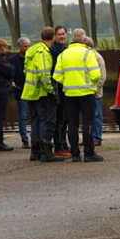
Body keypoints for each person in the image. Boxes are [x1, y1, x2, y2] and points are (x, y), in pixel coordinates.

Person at [53, 29, 104, 162]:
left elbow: (57, 76)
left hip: (69, 94)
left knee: (72, 124)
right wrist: (91, 85)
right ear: (84, 38)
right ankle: (89, 153)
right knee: (88, 122)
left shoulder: (63, 54)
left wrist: (68, 83)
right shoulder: (89, 53)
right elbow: (96, 74)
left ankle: (75, 154)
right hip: (87, 93)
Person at [23, 27, 63, 162]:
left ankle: (35, 151)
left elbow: (25, 70)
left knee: (36, 121)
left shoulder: (32, 50)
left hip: (31, 91)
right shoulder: (44, 52)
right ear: (53, 38)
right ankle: (46, 152)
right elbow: (44, 73)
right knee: (47, 121)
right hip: (43, 92)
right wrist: (50, 88)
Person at [49, 25, 70, 157]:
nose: (62, 36)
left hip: (65, 88)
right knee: (59, 119)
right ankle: (59, 145)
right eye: (59, 34)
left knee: (65, 119)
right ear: (55, 36)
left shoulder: (65, 49)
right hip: (58, 88)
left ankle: (63, 143)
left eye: (63, 34)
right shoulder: (54, 50)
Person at [83, 36, 107, 147]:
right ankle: (88, 138)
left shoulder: (97, 58)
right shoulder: (88, 57)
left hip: (95, 94)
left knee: (96, 116)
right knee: (88, 116)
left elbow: (102, 77)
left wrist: (95, 90)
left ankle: (96, 137)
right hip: (87, 92)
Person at [8, 37, 31, 149]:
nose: (27, 48)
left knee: (37, 114)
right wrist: (12, 82)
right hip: (21, 89)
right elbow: (10, 73)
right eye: (25, 46)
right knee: (22, 115)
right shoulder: (13, 60)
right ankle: (25, 139)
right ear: (19, 47)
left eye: (28, 46)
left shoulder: (32, 57)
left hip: (32, 89)